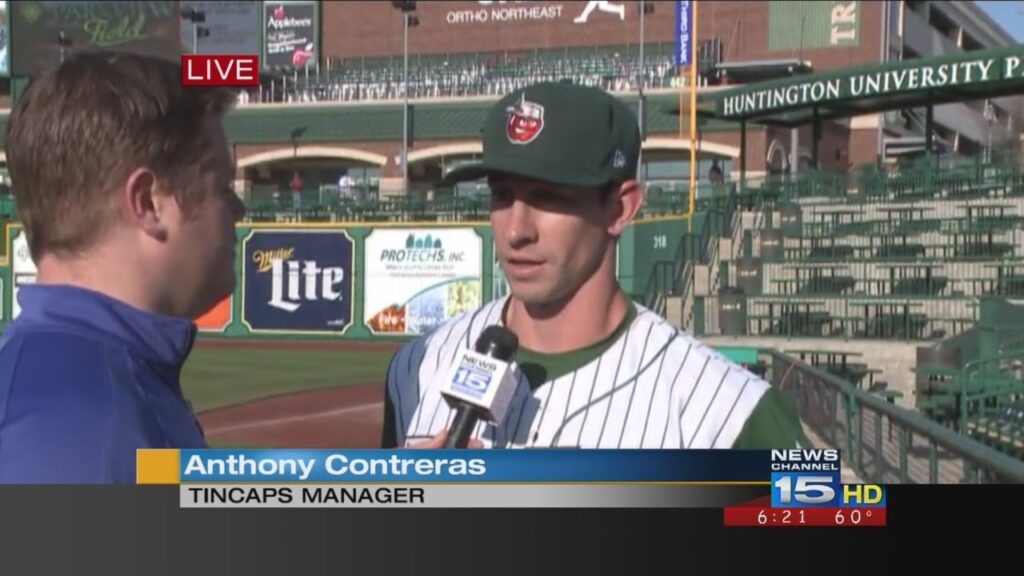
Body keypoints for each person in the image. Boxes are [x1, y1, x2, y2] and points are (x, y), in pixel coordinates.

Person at [381, 81, 808, 450]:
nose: (515, 230)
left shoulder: (731, 412)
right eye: (502, 194)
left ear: (620, 209)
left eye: (549, 197)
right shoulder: (416, 368)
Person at [0, 52, 246, 483]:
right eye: (223, 188)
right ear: (149, 203)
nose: (239, 209)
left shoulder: (67, 378)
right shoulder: (83, 431)